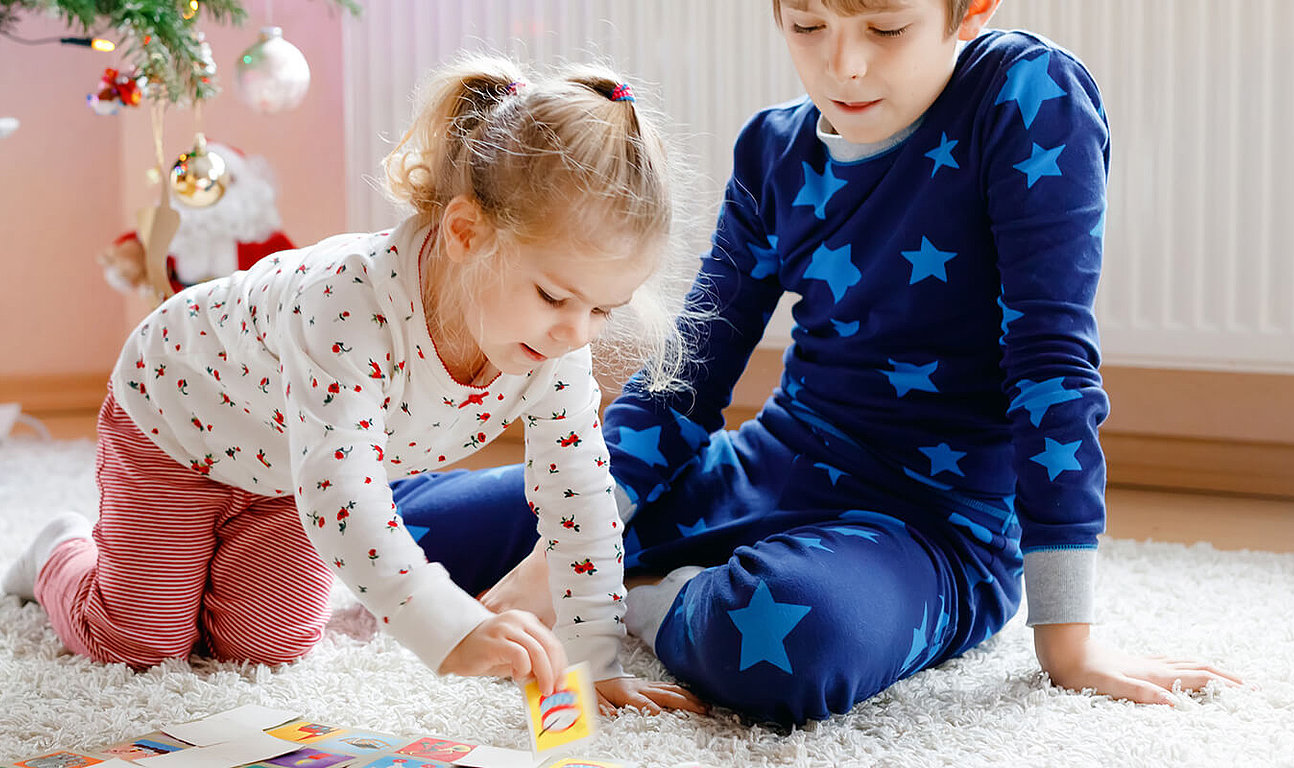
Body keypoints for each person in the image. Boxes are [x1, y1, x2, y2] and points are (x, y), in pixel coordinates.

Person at [390, 0, 1241, 724]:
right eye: (806, 23)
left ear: (969, 9)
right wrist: (565, 549)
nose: (844, 65)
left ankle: (646, 595)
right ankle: (640, 562)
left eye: (886, 27)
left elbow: (1052, 361)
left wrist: (1069, 640)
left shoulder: (1028, 98)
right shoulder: (773, 152)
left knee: (775, 636)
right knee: (413, 531)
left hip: (935, 530)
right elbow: (690, 374)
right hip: (770, 469)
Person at [3, 55, 703, 712]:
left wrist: (595, 658)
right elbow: (343, 491)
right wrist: (447, 625)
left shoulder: (556, 347)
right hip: (176, 422)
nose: (577, 332)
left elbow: (577, 489)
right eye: (554, 297)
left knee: (268, 648)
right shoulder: (349, 303)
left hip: (287, 475)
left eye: (602, 309)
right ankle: (59, 551)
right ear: (465, 234)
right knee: (139, 645)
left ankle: (199, 562)